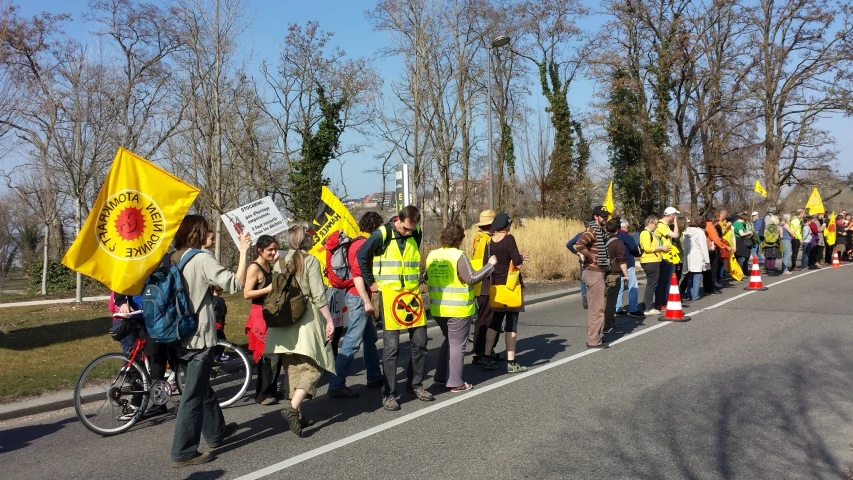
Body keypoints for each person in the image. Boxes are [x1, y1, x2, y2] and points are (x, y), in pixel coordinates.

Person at [170, 215, 250, 468]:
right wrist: (244, 250)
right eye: (207, 231)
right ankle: (184, 451)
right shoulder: (202, 258)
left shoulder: (172, 257)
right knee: (193, 395)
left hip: (176, 333)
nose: (211, 235)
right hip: (198, 336)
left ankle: (216, 432)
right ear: (198, 233)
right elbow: (235, 284)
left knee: (201, 386)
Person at [358, 205, 433, 411]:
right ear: (398, 220)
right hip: (390, 296)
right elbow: (362, 255)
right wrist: (370, 281)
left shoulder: (415, 231)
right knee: (391, 349)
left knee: (420, 342)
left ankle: (415, 384)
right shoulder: (381, 234)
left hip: (412, 296)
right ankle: (389, 394)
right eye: (406, 229)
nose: (409, 232)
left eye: (412, 229)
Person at [265, 223, 336, 436]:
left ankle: (299, 416)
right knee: (314, 367)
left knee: (293, 368)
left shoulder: (280, 262)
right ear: (306, 240)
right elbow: (318, 295)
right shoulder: (310, 260)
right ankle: (292, 409)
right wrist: (329, 320)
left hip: (283, 323)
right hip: (306, 320)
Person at [426, 222, 496, 392]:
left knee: (449, 341)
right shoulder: (458, 255)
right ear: (459, 238)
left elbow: (426, 276)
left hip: (438, 307)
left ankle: (441, 375)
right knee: (458, 344)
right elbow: (471, 278)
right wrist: (490, 265)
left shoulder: (432, 255)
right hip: (458, 308)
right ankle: (456, 382)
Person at [327, 211, 384, 399]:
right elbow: (358, 274)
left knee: (370, 337)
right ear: (375, 228)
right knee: (351, 341)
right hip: (359, 297)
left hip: (355, 295)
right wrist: (367, 300)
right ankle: (337, 383)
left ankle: (374, 377)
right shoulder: (363, 245)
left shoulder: (355, 242)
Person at [109, 291, 170, 418]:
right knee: (134, 359)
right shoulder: (127, 272)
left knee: (156, 355)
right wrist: (122, 302)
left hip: (154, 314)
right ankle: (138, 403)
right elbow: (120, 285)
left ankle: (158, 400)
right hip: (133, 317)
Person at [483, 212, 528, 371]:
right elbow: (517, 262)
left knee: (494, 323)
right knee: (511, 325)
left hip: (496, 288)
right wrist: (521, 258)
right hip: (511, 287)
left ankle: (486, 356)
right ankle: (511, 362)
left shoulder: (489, 243)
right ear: (506, 225)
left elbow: (486, 265)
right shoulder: (509, 239)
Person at [242, 235, 282, 405]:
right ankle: (262, 393)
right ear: (260, 250)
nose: (273, 252)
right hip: (260, 314)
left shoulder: (270, 265)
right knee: (266, 354)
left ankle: (271, 389)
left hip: (271, 312)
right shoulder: (254, 267)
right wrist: (267, 289)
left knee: (277, 352)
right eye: (270, 250)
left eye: (275, 249)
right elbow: (246, 293)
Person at [574, 206, 613, 349]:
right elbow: (579, 244)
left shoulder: (599, 231)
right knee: (597, 309)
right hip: (593, 272)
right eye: (603, 216)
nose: (605, 218)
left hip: (595, 272)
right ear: (595, 216)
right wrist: (590, 256)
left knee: (596, 308)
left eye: (606, 216)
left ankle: (594, 338)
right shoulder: (591, 230)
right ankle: (593, 340)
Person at [471, 209, 502, 368]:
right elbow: (489, 263)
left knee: (484, 319)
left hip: (479, 283)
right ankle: (482, 353)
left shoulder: (478, 238)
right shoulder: (488, 241)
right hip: (486, 284)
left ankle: (483, 351)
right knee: (486, 320)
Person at [601, 218, 629, 335]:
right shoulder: (618, 243)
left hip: (601, 273)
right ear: (617, 229)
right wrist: (626, 275)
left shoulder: (601, 240)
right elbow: (621, 260)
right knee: (610, 302)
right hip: (613, 274)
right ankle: (607, 326)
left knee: (602, 301)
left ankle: (607, 323)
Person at [638, 215, 668, 316]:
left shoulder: (651, 233)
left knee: (652, 284)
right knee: (652, 284)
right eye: (655, 224)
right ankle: (648, 308)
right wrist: (660, 248)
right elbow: (647, 248)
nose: (656, 226)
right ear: (649, 223)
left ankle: (646, 305)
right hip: (650, 261)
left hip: (654, 260)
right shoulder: (645, 233)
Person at [614, 218, 643, 318]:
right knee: (633, 286)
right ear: (625, 226)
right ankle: (633, 309)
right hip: (628, 263)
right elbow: (633, 248)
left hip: (617, 264)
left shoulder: (615, 235)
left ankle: (618, 308)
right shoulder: (625, 236)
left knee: (619, 288)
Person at [655, 207, 681, 310]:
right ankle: (660, 303)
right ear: (672, 215)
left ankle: (666, 301)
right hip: (664, 257)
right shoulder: (661, 225)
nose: (676, 217)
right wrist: (675, 224)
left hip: (669, 257)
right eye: (675, 215)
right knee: (663, 282)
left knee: (669, 281)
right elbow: (675, 235)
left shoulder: (664, 225)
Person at [682, 218, 710, 301]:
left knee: (690, 276)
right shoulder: (699, 232)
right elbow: (703, 247)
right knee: (697, 276)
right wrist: (706, 260)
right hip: (697, 256)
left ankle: (689, 293)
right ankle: (695, 294)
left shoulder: (686, 232)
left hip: (688, 256)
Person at [566, 230, 588, 310]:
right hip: (592, 261)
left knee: (582, 280)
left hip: (582, 260)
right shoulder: (594, 235)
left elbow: (568, 244)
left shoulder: (580, 235)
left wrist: (576, 253)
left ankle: (584, 294)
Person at [704, 211, 725, 294]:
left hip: (707, 248)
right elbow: (716, 239)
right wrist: (724, 246)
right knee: (713, 269)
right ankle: (711, 288)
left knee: (707, 270)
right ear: (712, 218)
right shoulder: (710, 227)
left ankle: (707, 288)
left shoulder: (705, 225)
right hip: (712, 249)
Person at [211, 286, 228, 362]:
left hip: (210, 323)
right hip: (218, 324)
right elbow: (223, 311)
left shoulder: (209, 299)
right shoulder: (220, 300)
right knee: (222, 340)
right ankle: (217, 356)